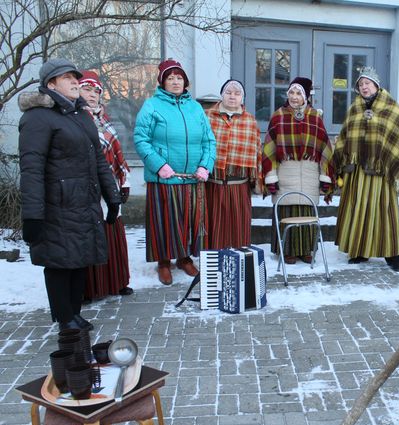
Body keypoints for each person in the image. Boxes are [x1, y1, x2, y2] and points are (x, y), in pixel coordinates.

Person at [18, 58, 120, 331]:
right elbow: (31, 169)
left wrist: (112, 197)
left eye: (76, 77)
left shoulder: (79, 115)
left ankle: (74, 314)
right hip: (57, 204)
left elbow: (98, 159)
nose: (76, 81)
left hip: (83, 202)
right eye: (67, 78)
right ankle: (64, 318)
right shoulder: (37, 117)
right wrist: (32, 216)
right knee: (59, 262)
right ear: (51, 84)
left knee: (79, 258)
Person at [134, 59, 216, 285]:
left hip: (192, 177)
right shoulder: (151, 106)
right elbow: (141, 139)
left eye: (179, 78)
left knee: (188, 221)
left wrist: (204, 166)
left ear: (185, 81)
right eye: (170, 78)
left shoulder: (195, 107)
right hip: (165, 177)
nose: (175, 82)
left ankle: (183, 258)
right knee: (165, 221)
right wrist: (159, 165)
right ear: (162, 82)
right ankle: (163, 261)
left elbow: (209, 140)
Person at [333, 67, 399, 272]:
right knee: (358, 208)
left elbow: (398, 137)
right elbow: (345, 135)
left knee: (383, 211)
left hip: (381, 171)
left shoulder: (391, 107)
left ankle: (392, 254)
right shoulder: (354, 109)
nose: (364, 87)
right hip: (358, 170)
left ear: (376, 85)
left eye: (367, 83)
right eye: (360, 84)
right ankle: (359, 250)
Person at [261, 77, 333, 264]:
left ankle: (307, 249)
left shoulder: (315, 116)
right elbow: (268, 148)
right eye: (291, 92)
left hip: (309, 173)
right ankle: (287, 250)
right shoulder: (278, 115)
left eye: (298, 93)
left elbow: (325, 147)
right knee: (287, 211)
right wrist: (271, 175)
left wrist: (325, 174)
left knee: (307, 212)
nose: (294, 97)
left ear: (306, 97)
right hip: (286, 172)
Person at [78, 70, 134, 300]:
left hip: (110, 185)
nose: (92, 95)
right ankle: (93, 288)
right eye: (87, 89)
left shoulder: (104, 120)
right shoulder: (76, 119)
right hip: (88, 188)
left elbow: (116, 153)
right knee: (93, 236)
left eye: (96, 91)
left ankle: (116, 281)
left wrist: (124, 180)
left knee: (113, 234)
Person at [206, 79, 261, 249]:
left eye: (237, 94)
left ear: (242, 98)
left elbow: (257, 150)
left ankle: (238, 263)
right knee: (213, 227)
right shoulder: (207, 116)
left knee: (239, 228)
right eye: (228, 92)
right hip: (213, 184)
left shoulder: (250, 121)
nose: (232, 96)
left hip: (239, 185)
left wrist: (257, 180)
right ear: (222, 95)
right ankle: (213, 263)